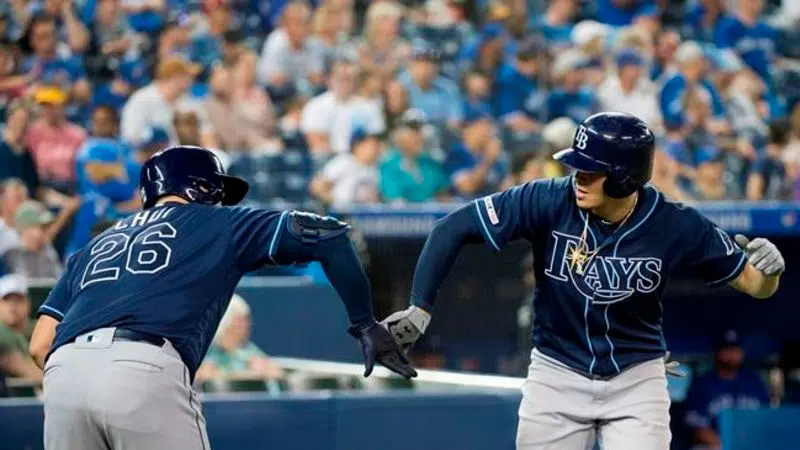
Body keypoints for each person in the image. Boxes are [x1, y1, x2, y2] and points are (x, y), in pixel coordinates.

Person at [379, 112, 785, 450]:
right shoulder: (547, 198)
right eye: (576, 167)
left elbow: (753, 284)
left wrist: (770, 272)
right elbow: (451, 228)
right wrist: (419, 310)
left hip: (635, 378)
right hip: (556, 371)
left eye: (591, 171)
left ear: (625, 178)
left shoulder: (675, 224)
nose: (578, 177)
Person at [28, 146, 415, 450]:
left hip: (63, 377)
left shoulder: (95, 244)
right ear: (200, 186)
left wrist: (86, 377)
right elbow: (329, 235)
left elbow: (40, 343)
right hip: (142, 367)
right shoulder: (218, 222)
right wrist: (365, 323)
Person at [684, 330, 770, 450]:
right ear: (717, 352)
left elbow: (766, 419)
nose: (732, 354)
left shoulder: (755, 383)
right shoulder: (703, 384)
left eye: (735, 350)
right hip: (716, 446)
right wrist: (724, 444)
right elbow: (697, 427)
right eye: (727, 350)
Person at [196, 293, 285, 382]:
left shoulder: (250, 350)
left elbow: (277, 373)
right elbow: (202, 376)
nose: (246, 325)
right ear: (225, 322)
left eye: (246, 321)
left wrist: (265, 370)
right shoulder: (206, 350)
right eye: (240, 321)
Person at [310, 128, 383, 208]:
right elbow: (316, 187)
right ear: (358, 146)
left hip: (367, 216)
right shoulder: (344, 162)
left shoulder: (376, 167)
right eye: (373, 144)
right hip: (343, 216)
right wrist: (337, 204)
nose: (376, 149)